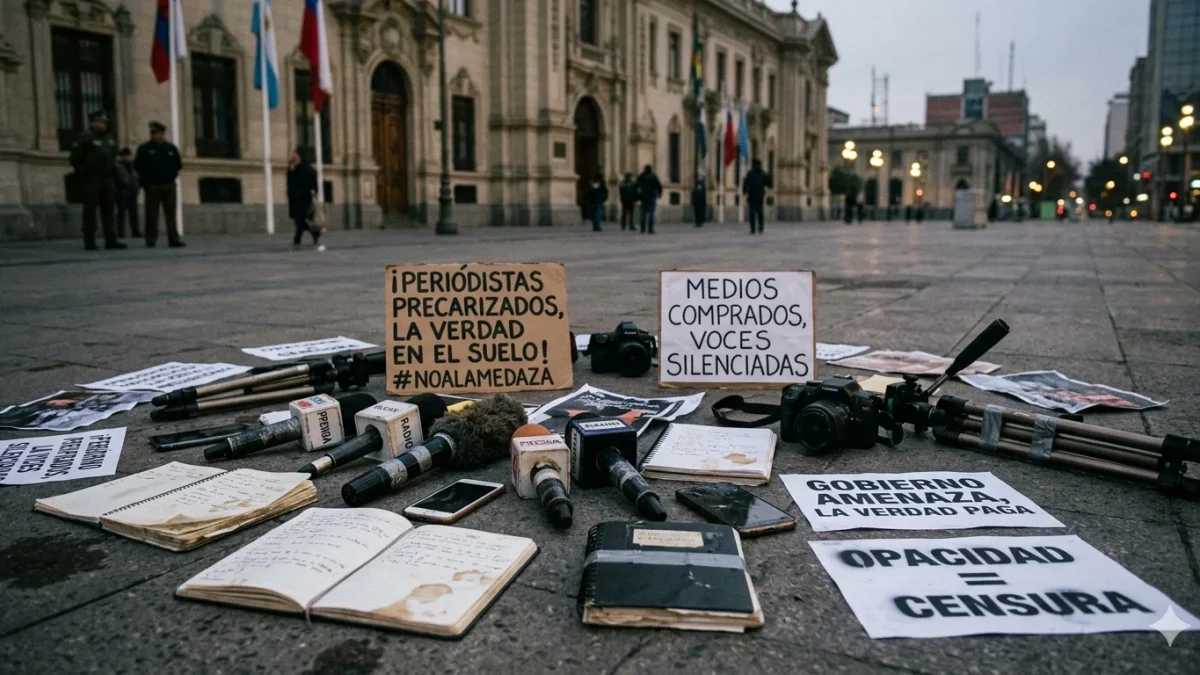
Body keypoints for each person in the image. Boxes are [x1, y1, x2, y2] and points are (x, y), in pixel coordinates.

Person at [69, 110, 124, 250]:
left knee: (109, 209)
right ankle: (89, 239)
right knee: (90, 209)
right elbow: (75, 158)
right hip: (91, 178)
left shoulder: (109, 138)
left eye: (104, 122)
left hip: (107, 178)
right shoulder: (85, 137)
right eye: (100, 121)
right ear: (93, 122)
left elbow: (113, 156)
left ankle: (111, 238)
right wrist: (83, 171)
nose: (103, 124)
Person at [135, 121, 184, 247]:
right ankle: (150, 239)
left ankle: (173, 238)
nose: (155, 135)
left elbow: (178, 165)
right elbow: (138, 165)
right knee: (151, 214)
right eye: (153, 133)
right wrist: (146, 180)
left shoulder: (170, 148)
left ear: (162, 134)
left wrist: (171, 176)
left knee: (171, 213)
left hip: (168, 185)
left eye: (158, 133)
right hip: (152, 186)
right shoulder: (145, 149)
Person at [287, 148, 322, 249]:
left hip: (303, 198)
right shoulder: (293, 167)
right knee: (299, 219)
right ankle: (314, 233)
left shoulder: (307, 168)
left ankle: (297, 239)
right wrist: (290, 169)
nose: (293, 156)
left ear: (299, 155)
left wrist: (313, 194)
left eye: (295, 154)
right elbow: (290, 180)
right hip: (294, 198)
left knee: (300, 219)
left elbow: (313, 184)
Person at [114, 147, 140, 239]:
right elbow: (118, 179)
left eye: (128, 156)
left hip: (132, 191)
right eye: (125, 156)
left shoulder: (133, 166)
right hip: (122, 191)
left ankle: (135, 230)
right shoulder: (118, 166)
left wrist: (136, 187)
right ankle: (120, 231)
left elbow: (136, 177)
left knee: (134, 212)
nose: (127, 158)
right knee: (121, 213)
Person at [741, 158, 772, 234]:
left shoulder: (750, 173)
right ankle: (761, 227)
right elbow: (769, 183)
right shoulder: (763, 173)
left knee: (752, 213)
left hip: (751, 196)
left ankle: (753, 229)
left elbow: (745, 183)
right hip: (760, 196)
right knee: (760, 213)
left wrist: (744, 191)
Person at [635, 165, 662, 234]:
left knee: (643, 214)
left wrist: (638, 196)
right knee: (651, 214)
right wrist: (659, 194)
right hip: (651, 197)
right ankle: (650, 229)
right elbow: (659, 186)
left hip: (643, 197)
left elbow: (636, 186)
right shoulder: (653, 176)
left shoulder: (641, 176)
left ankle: (642, 229)